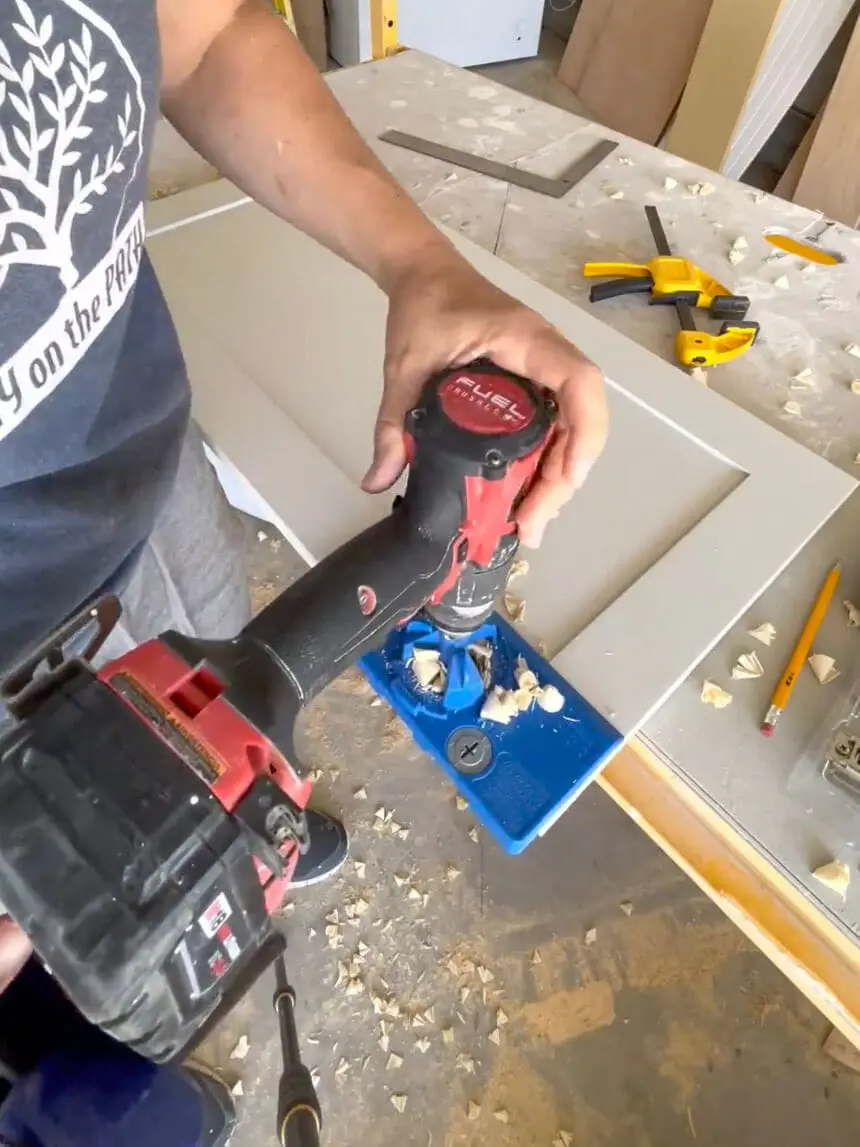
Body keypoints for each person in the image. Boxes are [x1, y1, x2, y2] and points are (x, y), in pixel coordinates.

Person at [0, 1, 607, 991]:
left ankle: (244, 820)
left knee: (224, 672)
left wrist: (420, 263)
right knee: (106, 950)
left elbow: (203, 34)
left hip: (141, 464)